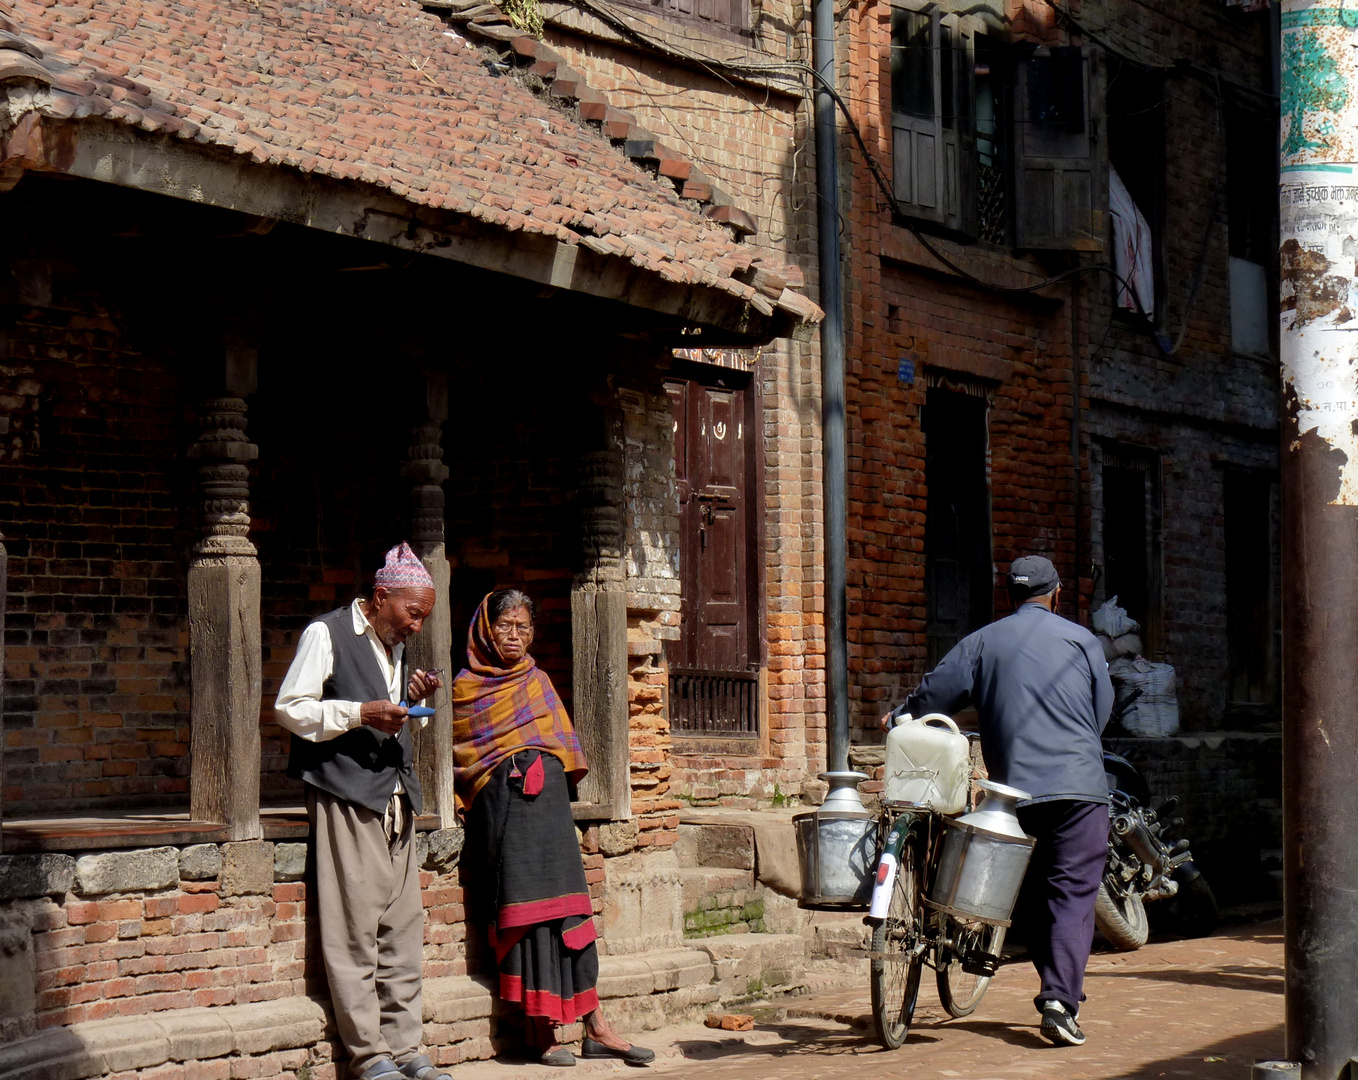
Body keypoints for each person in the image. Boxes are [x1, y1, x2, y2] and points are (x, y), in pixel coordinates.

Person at [881, 554, 1114, 1047]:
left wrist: (900, 713)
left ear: (1007, 596)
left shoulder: (982, 642)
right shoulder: (1082, 640)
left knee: (1022, 889)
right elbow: (1101, 712)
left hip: (1014, 794)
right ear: (1057, 595)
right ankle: (1059, 1001)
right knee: (1072, 893)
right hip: (1080, 788)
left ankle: (1042, 976)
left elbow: (933, 698)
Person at [453, 588, 653, 1068]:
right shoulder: (466, 688)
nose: (515, 637)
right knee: (527, 916)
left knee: (571, 912)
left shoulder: (537, 681)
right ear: (485, 629)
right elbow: (466, 758)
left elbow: (562, 746)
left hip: (549, 811)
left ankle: (595, 1025)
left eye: (524, 628)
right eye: (505, 627)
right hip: (506, 815)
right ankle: (538, 1028)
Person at [275, 542, 450, 1080]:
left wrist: (409, 700)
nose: (417, 627)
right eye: (412, 614)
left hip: (393, 798)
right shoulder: (326, 634)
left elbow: (386, 717)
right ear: (381, 597)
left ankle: (406, 1049)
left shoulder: (390, 643)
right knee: (354, 932)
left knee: (401, 930)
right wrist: (360, 712)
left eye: (424, 617)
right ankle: (370, 1056)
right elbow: (291, 709)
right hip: (346, 798)